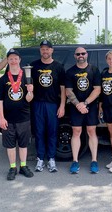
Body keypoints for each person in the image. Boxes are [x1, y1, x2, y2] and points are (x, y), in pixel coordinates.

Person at [0, 48, 34, 180]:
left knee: (23, 144)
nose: (13, 61)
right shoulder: (3, 79)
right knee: (10, 145)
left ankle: (23, 166)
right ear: (7, 61)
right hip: (8, 118)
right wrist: (1, 118)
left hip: (24, 117)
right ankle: (13, 167)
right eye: (10, 59)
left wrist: (30, 91)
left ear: (19, 60)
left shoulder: (27, 77)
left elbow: (29, 99)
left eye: (15, 58)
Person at [30, 40, 66, 173]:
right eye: (43, 49)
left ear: (52, 50)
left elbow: (63, 89)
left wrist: (62, 106)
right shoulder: (33, 66)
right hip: (37, 103)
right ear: (40, 51)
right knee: (39, 132)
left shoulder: (58, 67)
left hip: (52, 104)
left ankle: (51, 159)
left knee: (52, 132)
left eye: (47, 49)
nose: (45, 51)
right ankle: (40, 158)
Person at [65, 47, 101, 174]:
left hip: (90, 105)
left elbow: (97, 89)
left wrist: (85, 103)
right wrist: (78, 105)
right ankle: (75, 161)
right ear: (75, 56)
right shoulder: (70, 72)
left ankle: (94, 161)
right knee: (76, 131)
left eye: (83, 53)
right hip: (75, 107)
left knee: (91, 131)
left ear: (87, 54)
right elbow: (68, 91)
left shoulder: (94, 70)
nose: (81, 55)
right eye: (78, 54)